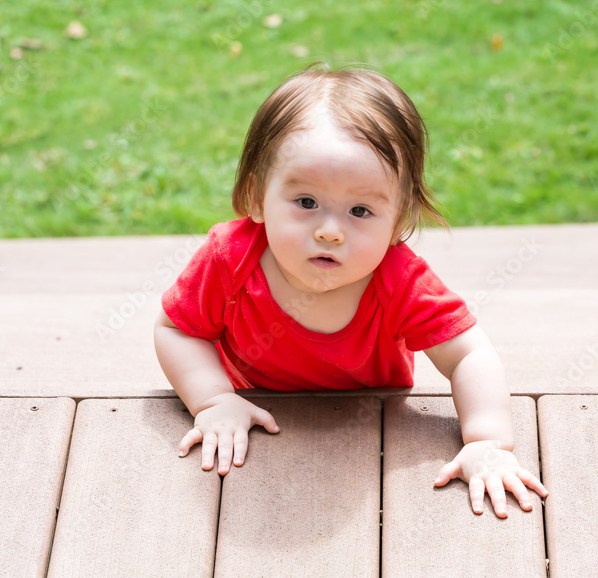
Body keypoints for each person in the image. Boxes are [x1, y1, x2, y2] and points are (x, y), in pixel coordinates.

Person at [154, 62, 547, 517]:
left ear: (399, 220)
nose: (330, 231)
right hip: (255, 435)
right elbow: (178, 329)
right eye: (306, 202)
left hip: (377, 439)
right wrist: (214, 400)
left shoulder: (398, 282)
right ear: (257, 195)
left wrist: (487, 440)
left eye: (360, 211)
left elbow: (469, 354)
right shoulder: (230, 258)